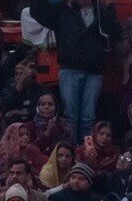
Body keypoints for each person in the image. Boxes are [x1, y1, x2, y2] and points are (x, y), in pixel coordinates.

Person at [30, 0, 119, 143]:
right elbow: (37, 12)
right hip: (69, 69)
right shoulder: (63, 10)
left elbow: (114, 34)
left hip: (94, 71)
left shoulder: (102, 10)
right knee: (70, 115)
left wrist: (109, 10)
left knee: (88, 117)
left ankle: (86, 152)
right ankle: (70, 151)